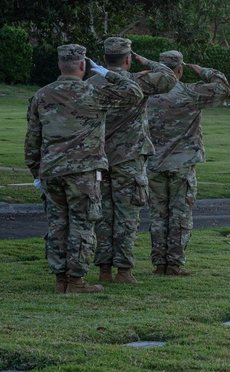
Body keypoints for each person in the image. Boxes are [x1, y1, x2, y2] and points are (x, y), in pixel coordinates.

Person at [25, 44, 143, 293]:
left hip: (51, 172)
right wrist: (108, 73)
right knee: (82, 225)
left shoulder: (41, 95)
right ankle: (76, 281)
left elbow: (32, 140)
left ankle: (60, 280)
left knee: (57, 225)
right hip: (83, 173)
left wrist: (36, 172)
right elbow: (134, 93)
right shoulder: (93, 92)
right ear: (83, 65)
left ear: (59, 65)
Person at [88, 37, 177, 285]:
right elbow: (169, 78)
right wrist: (147, 61)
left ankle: (104, 269)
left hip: (100, 158)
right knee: (127, 215)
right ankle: (124, 271)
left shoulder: (92, 83)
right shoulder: (138, 81)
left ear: (105, 59)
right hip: (129, 159)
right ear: (128, 59)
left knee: (103, 215)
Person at [146, 50, 230, 276]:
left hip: (153, 163)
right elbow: (223, 87)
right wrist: (202, 70)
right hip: (182, 164)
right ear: (180, 70)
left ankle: (159, 263)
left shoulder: (146, 93)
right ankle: (173, 263)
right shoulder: (190, 92)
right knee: (180, 214)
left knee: (158, 215)